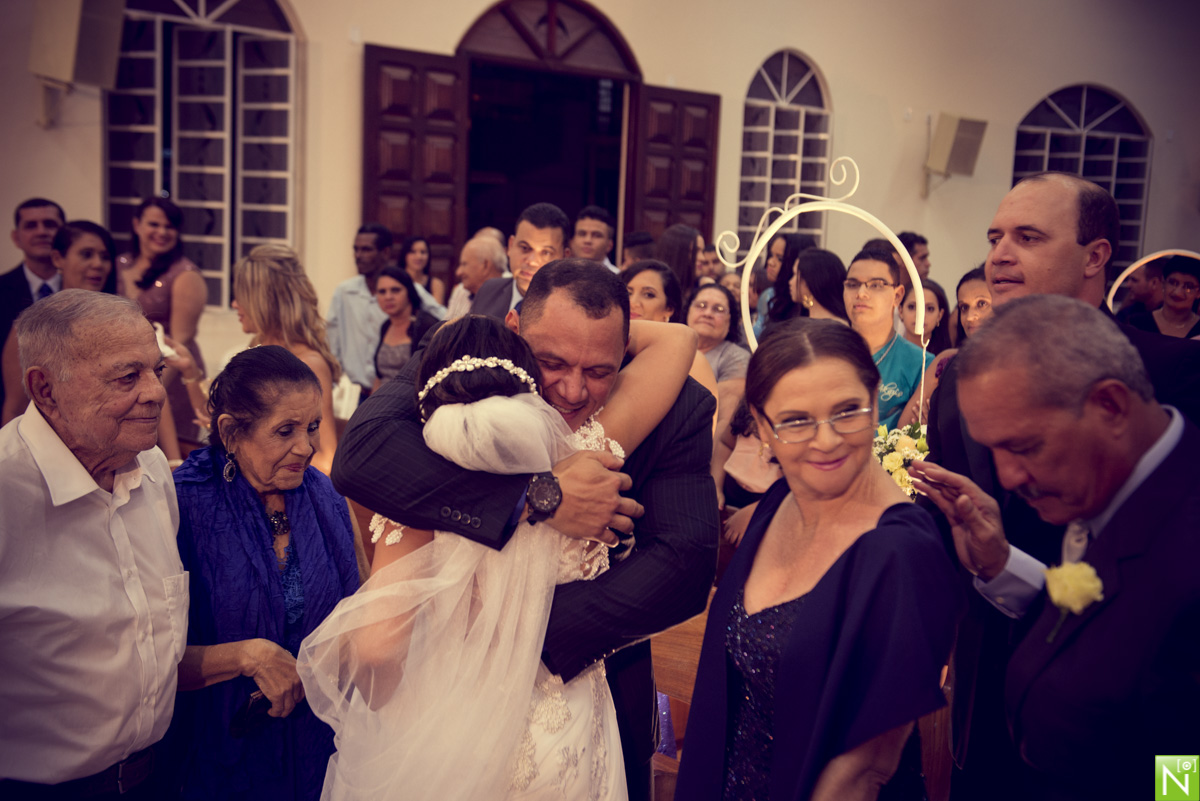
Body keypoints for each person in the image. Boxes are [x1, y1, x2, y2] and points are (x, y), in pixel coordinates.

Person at [332, 260, 719, 801]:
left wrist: (519, 634)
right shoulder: (456, 374)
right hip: (491, 723)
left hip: (567, 678)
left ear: (624, 349)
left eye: (601, 370)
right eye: (551, 361)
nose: (574, 390)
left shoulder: (674, 404)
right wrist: (538, 498)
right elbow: (361, 456)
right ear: (512, 329)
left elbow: (687, 561)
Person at [925, 171, 1200, 801]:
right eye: (994, 237)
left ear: (1095, 256)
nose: (999, 255)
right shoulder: (959, 380)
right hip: (990, 703)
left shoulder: (1170, 375)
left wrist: (1178, 793)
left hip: (1128, 745)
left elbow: (1183, 745)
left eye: (1027, 236)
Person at [676, 318, 962, 801]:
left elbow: (864, 770)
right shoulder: (778, 502)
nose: (826, 440)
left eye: (847, 411)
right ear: (762, 425)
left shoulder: (901, 551)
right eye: (795, 420)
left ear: (875, 402)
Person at [0, 290, 186, 797]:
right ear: (45, 389)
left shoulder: (151, 469)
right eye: (127, 377)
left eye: (156, 371)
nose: (154, 392)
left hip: (156, 776)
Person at [171, 346, 362, 801]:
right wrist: (246, 656)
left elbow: (358, 612)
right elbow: (147, 658)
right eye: (285, 431)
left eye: (313, 426)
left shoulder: (325, 498)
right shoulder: (182, 505)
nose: (307, 446)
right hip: (220, 754)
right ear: (231, 432)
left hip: (317, 750)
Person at [231, 244, 341, 475]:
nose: (234, 304)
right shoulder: (256, 349)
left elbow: (325, 457)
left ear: (263, 301)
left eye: (240, 296)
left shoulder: (308, 363)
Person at [2, 220, 118, 424]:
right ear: (58, 259)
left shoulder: (119, 322)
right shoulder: (31, 325)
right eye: (86, 254)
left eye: (105, 257)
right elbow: (14, 409)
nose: (98, 264)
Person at [117, 197, 207, 455]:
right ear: (136, 225)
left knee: (166, 451)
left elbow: (181, 342)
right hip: (125, 369)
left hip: (170, 374)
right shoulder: (118, 264)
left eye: (169, 226)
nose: (162, 232)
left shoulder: (185, 274)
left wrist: (151, 385)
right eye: (153, 224)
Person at [845, 248, 933, 430]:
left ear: (897, 295)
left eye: (876, 285)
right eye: (852, 284)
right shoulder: (824, 353)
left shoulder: (922, 364)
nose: (861, 293)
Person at [897, 268, 990, 428]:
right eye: (964, 307)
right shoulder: (946, 360)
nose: (970, 316)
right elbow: (904, 427)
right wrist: (929, 428)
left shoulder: (1021, 365)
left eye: (981, 304)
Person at [326, 223, 392, 401]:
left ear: (385, 253)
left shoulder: (402, 290)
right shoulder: (344, 292)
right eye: (356, 249)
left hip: (391, 395)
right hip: (353, 395)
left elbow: (441, 316)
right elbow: (332, 344)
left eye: (366, 250)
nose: (358, 256)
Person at [471, 203, 571, 319]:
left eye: (546, 253)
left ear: (564, 257)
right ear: (511, 245)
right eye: (524, 248)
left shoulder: (571, 309)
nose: (532, 261)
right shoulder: (488, 291)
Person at [372, 266, 440, 388]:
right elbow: (379, 377)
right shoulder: (386, 326)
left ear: (409, 291)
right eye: (382, 292)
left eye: (395, 290)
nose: (388, 297)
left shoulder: (427, 325)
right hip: (382, 400)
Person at [1128, 256, 1200, 338]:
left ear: (1198, 293)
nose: (1178, 293)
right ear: (1163, 283)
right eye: (1173, 283)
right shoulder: (1137, 323)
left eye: (1188, 286)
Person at [447, 235, 506, 320]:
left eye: (464, 264)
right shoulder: (460, 291)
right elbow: (444, 330)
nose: (458, 272)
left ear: (485, 266)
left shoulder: (512, 296)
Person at [787, 247, 848, 324]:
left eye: (795, 274)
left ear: (809, 280)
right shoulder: (812, 320)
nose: (790, 282)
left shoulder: (833, 327)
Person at [899, 277, 951, 354]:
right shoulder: (885, 353)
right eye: (912, 307)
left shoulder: (948, 360)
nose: (920, 315)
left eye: (930, 309)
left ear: (939, 315)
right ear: (900, 311)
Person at [398, 235, 446, 306]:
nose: (419, 257)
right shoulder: (395, 281)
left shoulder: (436, 284)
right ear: (404, 255)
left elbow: (437, 313)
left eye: (423, 252)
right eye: (413, 252)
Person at [654, 223, 703, 292]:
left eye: (702, 251)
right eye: (694, 252)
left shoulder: (703, 287)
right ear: (677, 254)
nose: (702, 258)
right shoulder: (655, 288)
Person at [1114, 258, 1164, 323]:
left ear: (1154, 283)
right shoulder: (1130, 312)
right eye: (1128, 279)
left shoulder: (1168, 315)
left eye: (1134, 280)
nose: (1128, 285)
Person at [571, 205, 619, 272]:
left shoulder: (619, 278)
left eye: (597, 235)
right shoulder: (560, 276)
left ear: (609, 245)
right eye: (582, 234)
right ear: (572, 241)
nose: (587, 240)